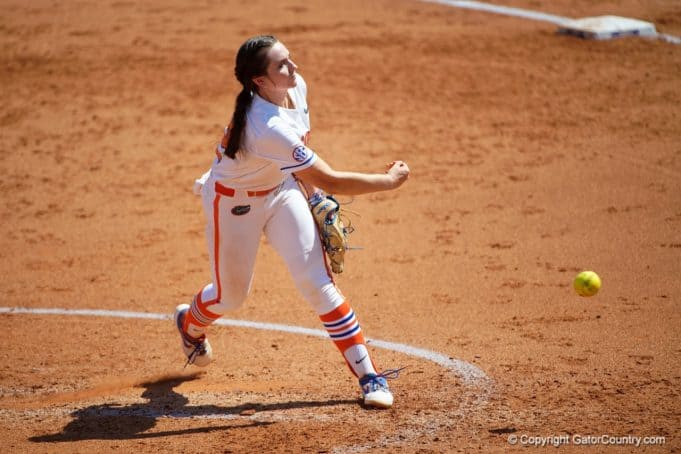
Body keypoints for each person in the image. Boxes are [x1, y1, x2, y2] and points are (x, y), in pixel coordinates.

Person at [174, 35, 410, 409]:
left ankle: (370, 376)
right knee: (230, 296)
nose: (294, 68)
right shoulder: (264, 124)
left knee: (316, 282)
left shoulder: (296, 88)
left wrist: (312, 197)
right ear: (260, 81)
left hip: (281, 191)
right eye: (282, 65)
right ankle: (190, 323)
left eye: (291, 59)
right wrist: (389, 182)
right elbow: (329, 177)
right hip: (233, 205)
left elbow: (299, 166)